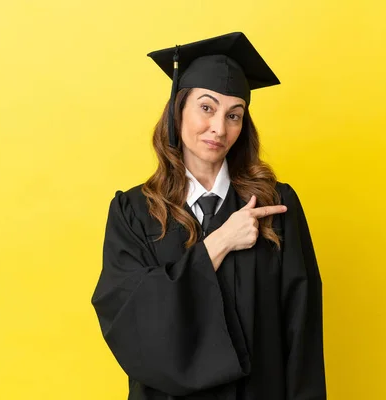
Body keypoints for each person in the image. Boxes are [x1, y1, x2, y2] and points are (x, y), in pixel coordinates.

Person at [91, 32, 326, 400]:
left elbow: (302, 331)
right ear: (178, 108)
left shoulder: (275, 205)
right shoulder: (134, 212)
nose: (219, 127)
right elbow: (130, 322)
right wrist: (219, 243)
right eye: (206, 107)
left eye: (234, 115)